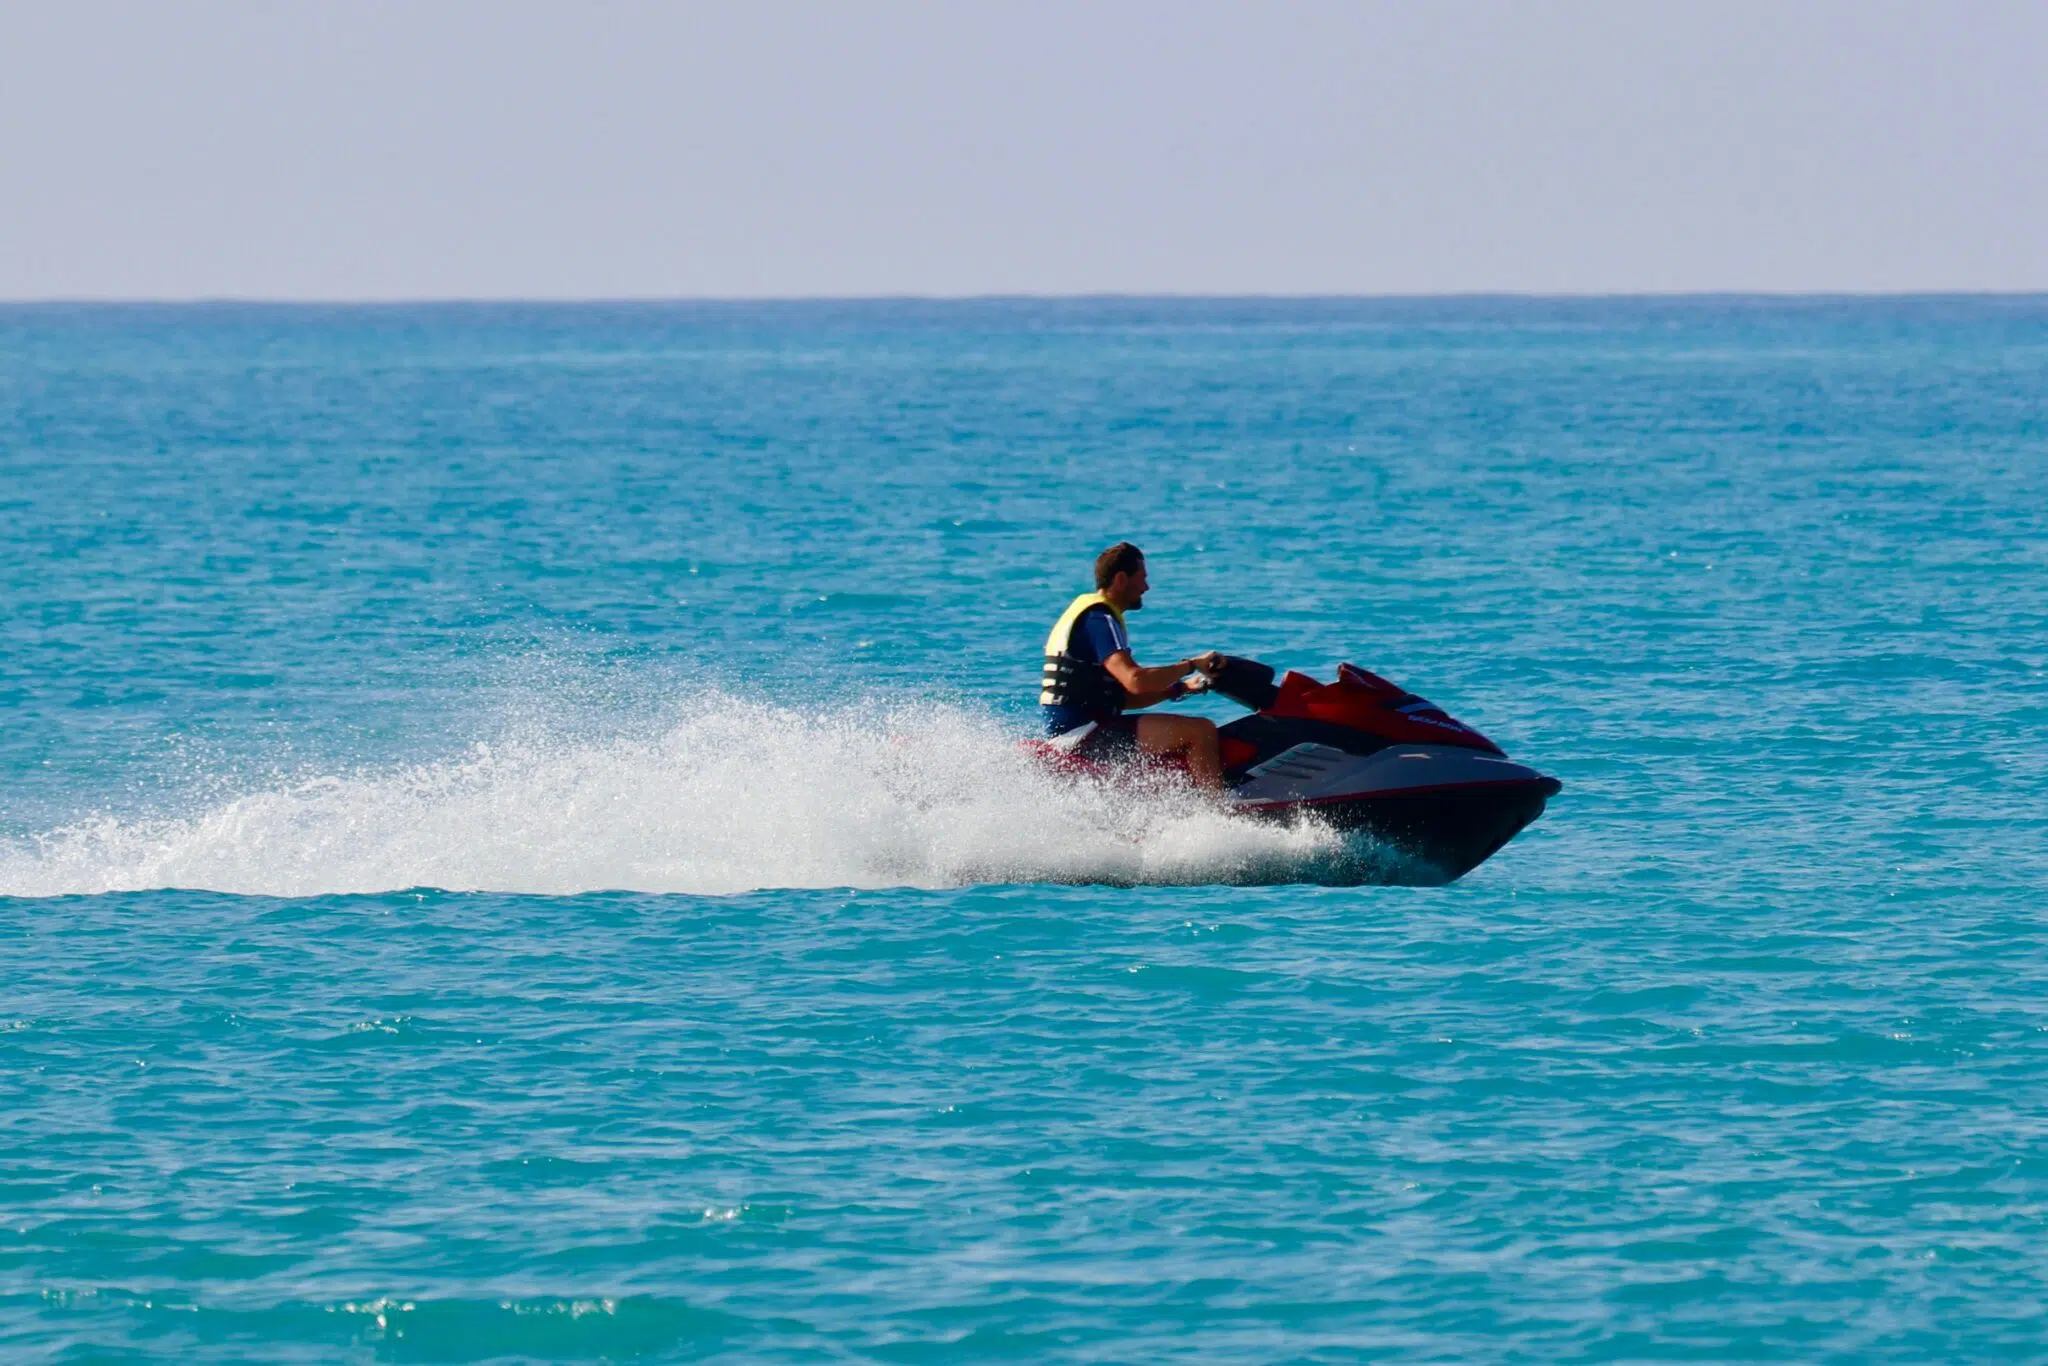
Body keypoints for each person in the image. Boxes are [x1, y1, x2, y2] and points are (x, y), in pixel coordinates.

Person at [1040, 542, 1226, 789]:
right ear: (1121, 579)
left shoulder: (1091, 615)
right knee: (1201, 731)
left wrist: (1179, 689)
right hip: (1085, 734)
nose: (1146, 587)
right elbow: (1135, 680)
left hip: (1079, 731)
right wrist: (1192, 664)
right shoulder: (1100, 619)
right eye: (1142, 578)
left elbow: (1123, 699)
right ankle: (1219, 815)